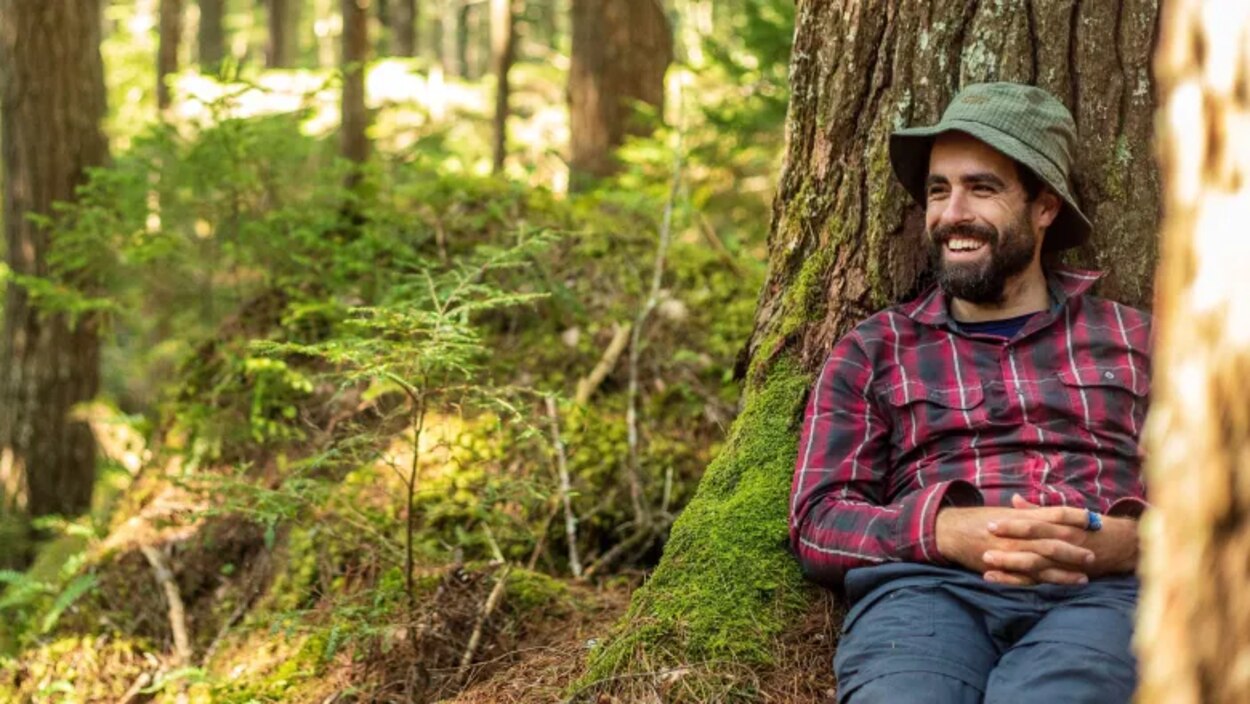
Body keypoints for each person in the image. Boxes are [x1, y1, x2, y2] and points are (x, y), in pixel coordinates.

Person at [788, 82, 1150, 704]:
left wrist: (1131, 544)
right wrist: (944, 531)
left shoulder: (1139, 339)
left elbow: (1228, 508)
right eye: (938, 190)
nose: (952, 213)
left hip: (1104, 600)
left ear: (1044, 207)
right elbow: (818, 523)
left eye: (981, 188)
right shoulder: (875, 349)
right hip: (926, 597)